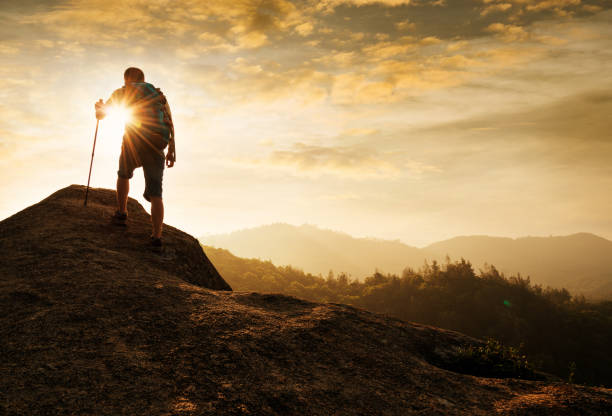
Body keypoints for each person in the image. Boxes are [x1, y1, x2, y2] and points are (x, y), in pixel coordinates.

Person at [95, 67, 176, 250]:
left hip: (134, 141)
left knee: (124, 174)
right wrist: (171, 150)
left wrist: (99, 108)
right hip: (157, 144)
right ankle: (156, 237)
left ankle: (122, 213)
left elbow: (102, 115)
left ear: (126, 79)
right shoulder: (158, 94)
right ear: (143, 78)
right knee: (156, 193)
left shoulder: (123, 92)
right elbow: (170, 122)